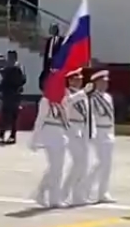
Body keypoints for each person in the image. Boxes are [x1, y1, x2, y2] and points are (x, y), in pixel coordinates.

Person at [29, 78, 93, 208]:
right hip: (49, 133)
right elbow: (40, 120)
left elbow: (68, 108)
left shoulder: (63, 100)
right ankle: (53, 198)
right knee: (56, 167)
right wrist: (34, 139)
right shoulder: (46, 101)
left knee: (57, 167)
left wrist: (74, 131)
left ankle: (43, 193)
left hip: (61, 134)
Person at [61, 68, 94, 205]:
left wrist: (92, 131)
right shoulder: (66, 92)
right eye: (77, 79)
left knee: (84, 164)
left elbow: (87, 114)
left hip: (83, 128)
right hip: (72, 128)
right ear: (70, 80)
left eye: (80, 79)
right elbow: (67, 103)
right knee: (77, 162)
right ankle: (64, 192)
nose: (80, 81)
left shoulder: (83, 95)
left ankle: (78, 195)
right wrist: (82, 92)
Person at [0, 51, 26, 145]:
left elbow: (8, 83)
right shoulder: (14, 68)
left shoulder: (16, 69)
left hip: (13, 96)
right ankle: (3, 136)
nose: (8, 60)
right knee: (6, 117)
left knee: (11, 117)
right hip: (10, 96)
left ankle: (11, 136)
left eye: (9, 58)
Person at [88, 70, 115, 203]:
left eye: (106, 82)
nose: (105, 84)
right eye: (102, 82)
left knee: (107, 164)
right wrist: (92, 134)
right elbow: (91, 117)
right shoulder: (92, 98)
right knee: (99, 163)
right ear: (96, 83)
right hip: (98, 131)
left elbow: (111, 118)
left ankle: (103, 192)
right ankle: (87, 187)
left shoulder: (108, 97)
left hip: (108, 131)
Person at [40, 24, 63, 91]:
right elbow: (46, 53)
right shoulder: (49, 40)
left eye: (54, 29)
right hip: (49, 62)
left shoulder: (62, 40)